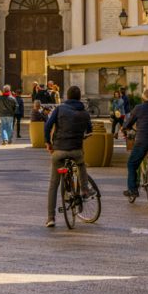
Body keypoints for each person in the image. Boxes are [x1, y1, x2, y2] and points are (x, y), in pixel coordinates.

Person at [44, 84, 93, 228]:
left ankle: (51, 218)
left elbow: (48, 126)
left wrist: (48, 142)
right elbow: (89, 130)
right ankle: (84, 189)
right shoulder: (84, 112)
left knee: (54, 184)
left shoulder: (59, 109)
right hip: (76, 150)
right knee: (81, 164)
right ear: (79, 97)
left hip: (59, 150)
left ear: (67, 96)